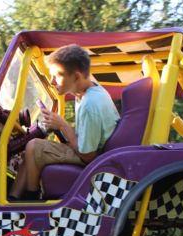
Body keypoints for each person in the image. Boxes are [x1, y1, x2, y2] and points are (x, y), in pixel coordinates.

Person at [9, 44, 120, 201]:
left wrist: (62, 125)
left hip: (97, 161)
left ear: (76, 77)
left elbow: (88, 156)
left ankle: (32, 201)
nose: (52, 81)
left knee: (33, 146)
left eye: (57, 75)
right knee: (30, 152)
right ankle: (12, 200)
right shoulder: (88, 93)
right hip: (96, 153)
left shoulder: (90, 104)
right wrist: (59, 126)